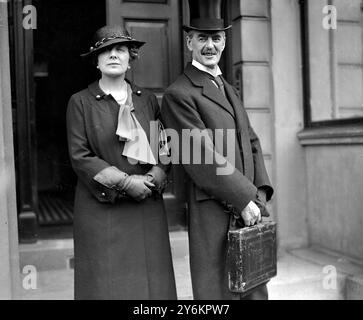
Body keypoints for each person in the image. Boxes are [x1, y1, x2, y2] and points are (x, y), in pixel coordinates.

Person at [161, 1, 274, 300]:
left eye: (216, 38)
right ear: (189, 42)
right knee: (219, 292)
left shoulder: (228, 87)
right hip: (214, 209)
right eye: (202, 38)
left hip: (248, 205)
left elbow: (252, 141)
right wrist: (243, 198)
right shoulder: (179, 94)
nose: (210, 45)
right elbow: (201, 155)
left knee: (255, 288)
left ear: (224, 41)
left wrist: (259, 194)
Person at [66, 25, 177, 300]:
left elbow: (164, 146)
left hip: (146, 207)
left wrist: (156, 175)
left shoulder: (148, 99)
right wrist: (126, 182)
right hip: (103, 211)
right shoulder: (80, 102)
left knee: (151, 287)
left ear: (131, 58)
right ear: (96, 60)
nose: (113, 55)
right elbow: (80, 156)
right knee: (108, 288)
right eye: (105, 50)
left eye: (120, 49)